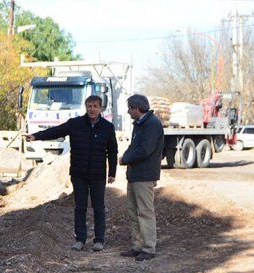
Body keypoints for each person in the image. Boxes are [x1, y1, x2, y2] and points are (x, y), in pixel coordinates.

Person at [25, 95, 118, 251]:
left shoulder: (107, 127)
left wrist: (112, 172)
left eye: (95, 106)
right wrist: (36, 136)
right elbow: (56, 131)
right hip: (78, 173)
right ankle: (80, 239)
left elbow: (112, 151)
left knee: (98, 207)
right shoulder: (75, 124)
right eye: (89, 106)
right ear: (86, 107)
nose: (92, 109)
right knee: (80, 207)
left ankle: (99, 240)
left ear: (100, 108)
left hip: (98, 175)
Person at [118, 94, 165, 261]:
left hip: (144, 175)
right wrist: (125, 157)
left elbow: (145, 149)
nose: (128, 111)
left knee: (144, 212)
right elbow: (134, 146)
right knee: (133, 211)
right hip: (135, 174)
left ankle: (148, 248)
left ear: (136, 108)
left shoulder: (151, 124)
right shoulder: (140, 124)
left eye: (130, 108)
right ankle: (137, 246)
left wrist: (126, 159)